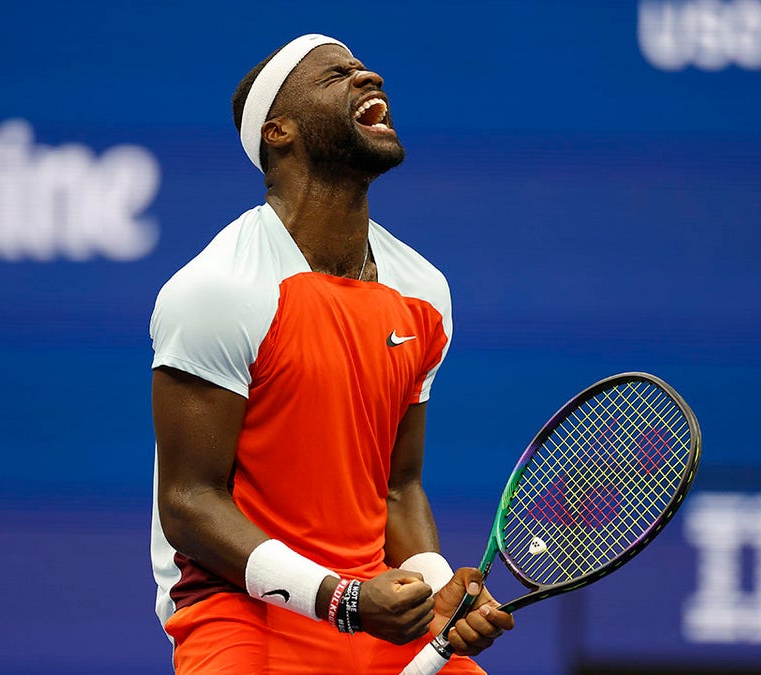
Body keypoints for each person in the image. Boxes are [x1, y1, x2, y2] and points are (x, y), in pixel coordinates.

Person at [149, 34, 513, 673]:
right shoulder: (218, 290)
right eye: (336, 74)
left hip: (371, 604)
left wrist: (431, 588)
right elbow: (188, 500)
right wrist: (338, 598)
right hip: (241, 611)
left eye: (364, 67)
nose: (368, 74)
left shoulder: (422, 291)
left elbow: (397, 486)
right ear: (280, 130)